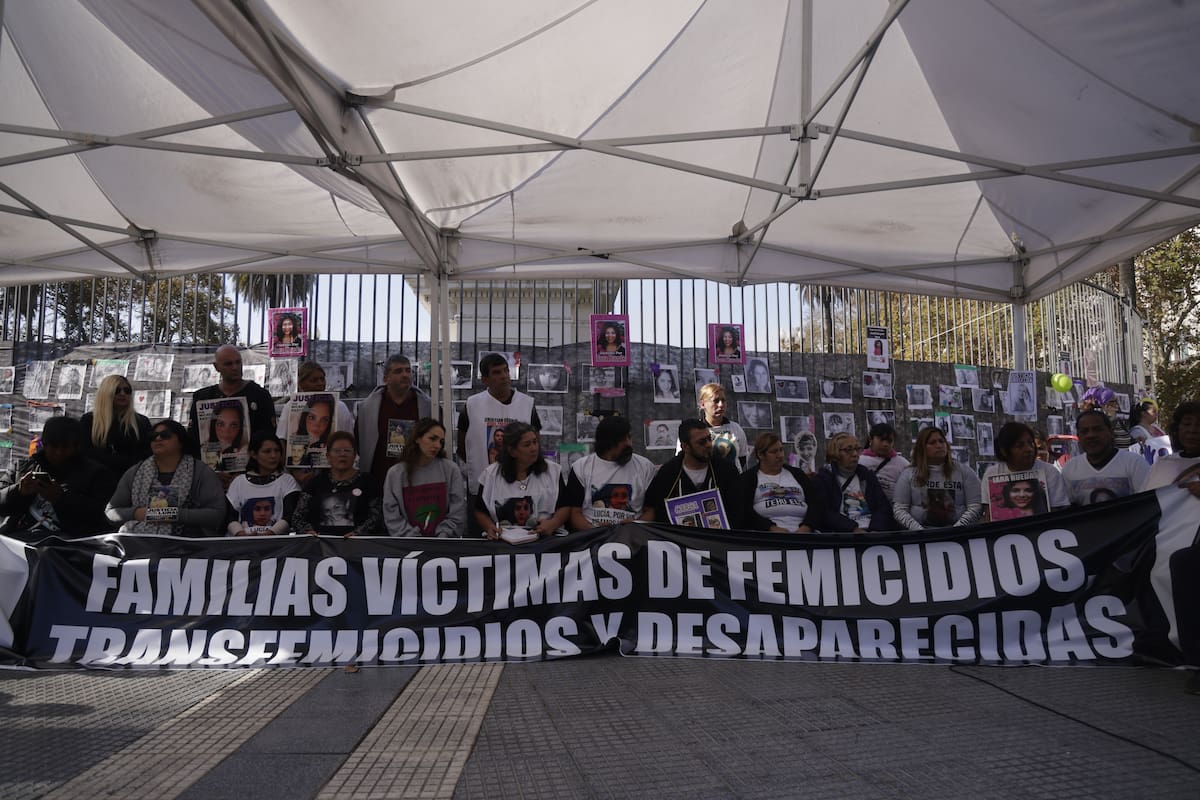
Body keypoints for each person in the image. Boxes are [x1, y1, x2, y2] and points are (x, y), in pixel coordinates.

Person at [1140, 401, 1200, 693]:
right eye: (1186, 423)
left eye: (1198, 424)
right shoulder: (1163, 467)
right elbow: (1142, 507)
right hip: (1160, 543)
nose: (1192, 430)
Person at [106, 420, 227, 537]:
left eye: (166, 435)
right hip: (139, 544)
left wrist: (171, 515)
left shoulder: (201, 472)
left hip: (188, 545)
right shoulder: (135, 472)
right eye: (153, 436)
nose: (158, 439)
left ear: (181, 441)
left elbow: (217, 514)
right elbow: (111, 512)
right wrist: (136, 513)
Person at [0, 417, 115, 540]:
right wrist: (19, 491)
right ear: (45, 444)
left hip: (67, 545)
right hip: (17, 538)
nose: (59, 452)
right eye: (54, 447)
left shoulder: (97, 474)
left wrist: (60, 498)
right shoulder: (22, 467)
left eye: (65, 447)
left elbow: (99, 517)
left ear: (76, 447)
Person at [458, 353, 539, 496]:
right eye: (496, 372)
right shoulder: (472, 405)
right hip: (482, 488)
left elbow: (536, 445)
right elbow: (462, 447)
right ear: (484, 379)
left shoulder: (527, 404)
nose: (503, 376)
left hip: (520, 487)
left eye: (506, 370)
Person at [475, 422, 569, 539]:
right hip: (503, 543)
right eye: (527, 445)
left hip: (545, 541)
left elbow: (565, 506)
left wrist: (553, 524)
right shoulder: (490, 475)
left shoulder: (553, 471)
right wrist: (489, 526)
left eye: (535, 442)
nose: (534, 448)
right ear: (512, 451)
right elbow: (480, 511)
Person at [562, 415, 657, 530]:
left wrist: (635, 527)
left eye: (629, 437)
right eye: (623, 440)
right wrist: (594, 530)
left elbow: (650, 511)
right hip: (591, 538)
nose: (629, 444)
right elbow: (574, 513)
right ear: (608, 444)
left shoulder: (645, 467)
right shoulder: (581, 468)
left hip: (633, 537)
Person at [644, 419, 743, 527]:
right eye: (701, 442)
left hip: (719, 539)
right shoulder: (669, 472)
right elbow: (651, 508)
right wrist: (634, 525)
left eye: (709, 439)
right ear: (685, 447)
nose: (709, 445)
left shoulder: (726, 470)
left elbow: (739, 510)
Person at [356, 354, 434, 492]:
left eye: (408, 370)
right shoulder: (366, 409)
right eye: (398, 371)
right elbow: (359, 442)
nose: (405, 375)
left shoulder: (428, 407)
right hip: (378, 482)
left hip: (416, 481)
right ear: (386, 379)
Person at [383, 418, 465, 537]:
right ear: (417, 438)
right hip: (408, 547)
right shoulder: (395, 474)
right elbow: (392, 515)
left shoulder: (451, 469)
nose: (437, 445)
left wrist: (443, 536)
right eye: (432, 439)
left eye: (441, 441)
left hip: (444, 546)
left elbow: (458, 510)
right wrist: (414, 539)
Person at [291, 431, 383, 537]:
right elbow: (297, 517)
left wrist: (358, 533)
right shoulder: (315, 482)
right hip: (319, 545)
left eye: (347, 450)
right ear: (328, 455)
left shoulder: (368, 481)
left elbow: (377, 516)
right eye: (337, 451)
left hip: (357, 545)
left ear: (354, 455)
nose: (342, 454)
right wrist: (308, 532)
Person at [892, 427, 982, 530]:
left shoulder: (965, 472)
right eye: (932, 442)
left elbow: (976, 506)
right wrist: (920, 531)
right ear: (922, 448)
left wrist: (956, 530)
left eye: (941, 441)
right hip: (920, 536)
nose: (939, 445)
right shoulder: (908, 474)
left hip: (959, 535)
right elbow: (899, 510)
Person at [980, 422, 1069, 521]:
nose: (1029, 449)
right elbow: (988, 516)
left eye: (1030, 443)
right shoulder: (992, 474)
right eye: (1020, 445)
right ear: (1004, 451)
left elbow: (1058, 513)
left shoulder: (1050, 472)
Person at [1061, 410, 1150, 506]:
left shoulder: (1135, 464)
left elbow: (1148, 505)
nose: (1091, 435)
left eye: (1097, 429)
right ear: (1079, 437)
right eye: (1085, 431)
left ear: (1111, 433)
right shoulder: (1070, 469)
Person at [740, 432, 823, 533]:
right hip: (766, 536)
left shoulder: (797, 474)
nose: (779, 455)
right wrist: (770, 528)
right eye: (774, 452)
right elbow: (744, 511)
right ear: (760, 455)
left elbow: (815, 505)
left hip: (803, 534)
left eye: (781, 450)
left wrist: (807, 526)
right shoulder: (749, 478)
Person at [188, 345, 276, 440]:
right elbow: (194, 437)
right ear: (216, 367)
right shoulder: (203, 397)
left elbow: (269, 435)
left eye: (238, 362)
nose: (235, 367)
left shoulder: (260, 395)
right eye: (228, 364)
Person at [812, 432, 894, 532]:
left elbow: (883, 507)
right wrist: (852, 529)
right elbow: (824, 512)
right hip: (843, 534)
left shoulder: (867, 476)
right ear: (835, 453)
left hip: (872, 532)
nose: (855, 454)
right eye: (848, 450)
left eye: (857, 449)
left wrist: (875, 529)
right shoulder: (824, 479)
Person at [225, 431, 301, 536]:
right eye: (267, 451)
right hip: (242, 544)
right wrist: (240, 534)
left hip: (277, 544)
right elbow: (230, 516)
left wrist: (271, 533)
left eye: (277, 451)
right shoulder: (239, 482)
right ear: (253, 454)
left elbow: (290, 514)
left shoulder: (287, 481)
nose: (274, 456)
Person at [80, 374, 152, 475]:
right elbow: (85, 452)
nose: (123, 394)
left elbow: (147, 453)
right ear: (106, 392)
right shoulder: (89, 420)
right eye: (117, 390)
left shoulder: (141, 421)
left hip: (131, 476)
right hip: (98, 477)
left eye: (127, 390)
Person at [275, 361, 355, 442]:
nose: (320, 383)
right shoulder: (290, 406)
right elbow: (282, 438)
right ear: (301, 384)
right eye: (314, 380)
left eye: (322, 379)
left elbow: (350, 438)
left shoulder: (340, 406)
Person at [692, 383, 749, 472]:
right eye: (716, 401)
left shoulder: (736, 428)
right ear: (703, 404)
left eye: (723, 400)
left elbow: (742, 457)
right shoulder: (694, 431)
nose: (721, 405)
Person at [856, 425, 909, 503]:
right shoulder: (859, 461)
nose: (885, 444)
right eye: (881, 439)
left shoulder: (903, 464)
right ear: (871, 439)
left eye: (889, 441)